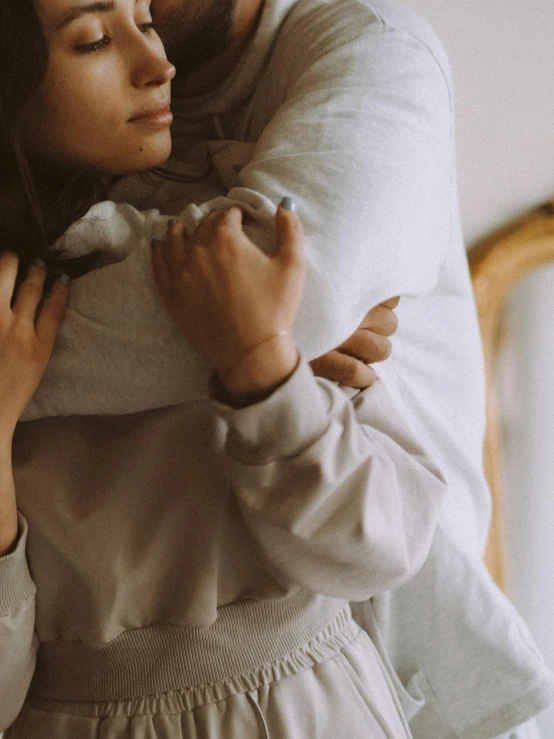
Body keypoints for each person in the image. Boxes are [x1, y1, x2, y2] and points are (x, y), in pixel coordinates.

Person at [10, 0, 554, 737]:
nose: (156, 62)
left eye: (146, 20)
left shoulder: (234, 225)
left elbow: (380, 540)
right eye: (97, 39)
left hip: (316, 704)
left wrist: (263, 367)